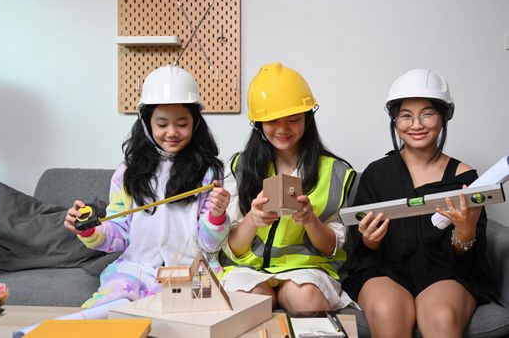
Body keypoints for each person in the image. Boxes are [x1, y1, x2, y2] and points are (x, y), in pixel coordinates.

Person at [343, 69, 497, 337]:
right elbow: (361, 249)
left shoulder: (465, 178)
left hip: (446, 272)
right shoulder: (377, 174)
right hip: (386, 270)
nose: (416, 125)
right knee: (386, 310)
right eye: (405, 116)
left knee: (441, 316)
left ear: (444, 116)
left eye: (427, 113)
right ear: (394, 120)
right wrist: (370, 239)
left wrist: (464, 232)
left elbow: (470, 253)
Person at [63, 65, 231, 308]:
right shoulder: (126, 173)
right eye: (162, 124)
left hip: (192, 270)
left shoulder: (209, 173)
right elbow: (118, 235)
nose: (172, 132)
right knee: (106, 310)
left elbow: (210, 244)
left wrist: (217, 216)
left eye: (182, 123)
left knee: (196, 318)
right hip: (136, 269)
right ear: (146, 122)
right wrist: (89, 230)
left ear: (195, 124)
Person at [219, 62, 357, 313]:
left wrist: (310, 220)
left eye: (293, 120)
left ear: (307, 117)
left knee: (305, 299)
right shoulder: (239, 166)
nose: (282, 129)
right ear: (258, 123)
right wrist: (252, 220)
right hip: (248, 269)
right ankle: (271, 296)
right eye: (272, 121)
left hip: (308, 270)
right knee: (246, 303)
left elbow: (331, 248)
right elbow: (234, 248)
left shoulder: (336, 172)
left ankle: (288, 297)